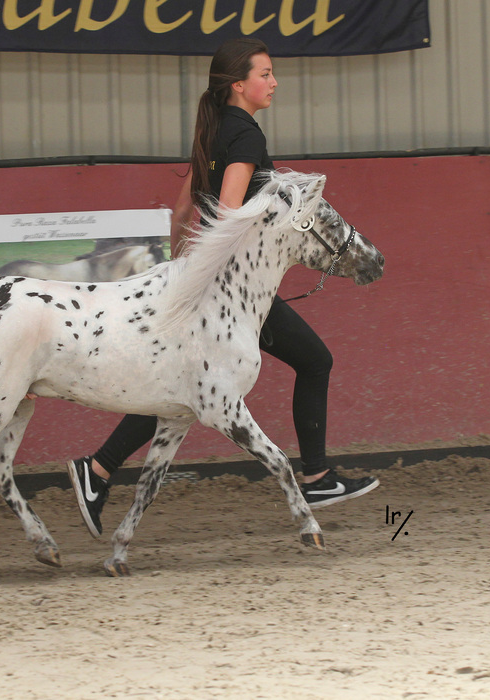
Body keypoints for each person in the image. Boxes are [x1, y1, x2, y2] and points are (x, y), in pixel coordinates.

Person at [67, 37, 379, 538]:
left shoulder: (213, 131)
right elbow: (229, 213)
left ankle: (98, 469)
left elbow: (181, 212)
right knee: (314, 361)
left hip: (205, 283)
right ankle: (317, 478)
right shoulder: (247, 136)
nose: (273, 82)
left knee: (178, 387)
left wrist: (182, 271)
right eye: (265, 74)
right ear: (238, 85)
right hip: (232, 291)